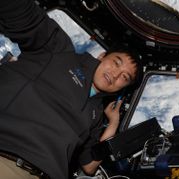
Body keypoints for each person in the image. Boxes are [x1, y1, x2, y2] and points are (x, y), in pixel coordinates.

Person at [0, 0, 143, 178]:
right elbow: (23, 14)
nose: (115, 75)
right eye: (116, 62)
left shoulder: (96, 117)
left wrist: (113, 123)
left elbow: (90, 167)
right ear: (102, 56)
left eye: (125, 77)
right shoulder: (60, 51)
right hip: (7, 157)